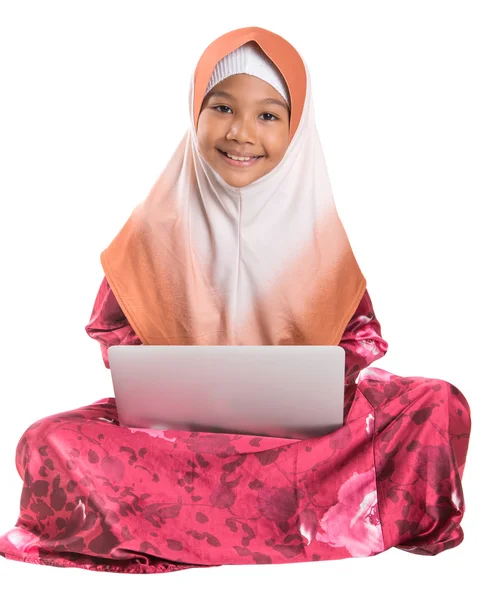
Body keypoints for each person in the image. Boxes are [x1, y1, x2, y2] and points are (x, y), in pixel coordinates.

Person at [0, 26, 471, 574]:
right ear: (195, 112)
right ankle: (277, 520)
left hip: (301, 441)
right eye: (222, 107)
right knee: (48, 439)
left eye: (268, 115)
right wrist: (168, 371)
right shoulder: (156, 228)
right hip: (177, 441)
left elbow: (359, 335)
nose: (241, 132)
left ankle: (178, 525)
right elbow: (112, 329)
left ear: (296, 129)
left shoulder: (314, 230)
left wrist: (310, 380)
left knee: (437, 402)